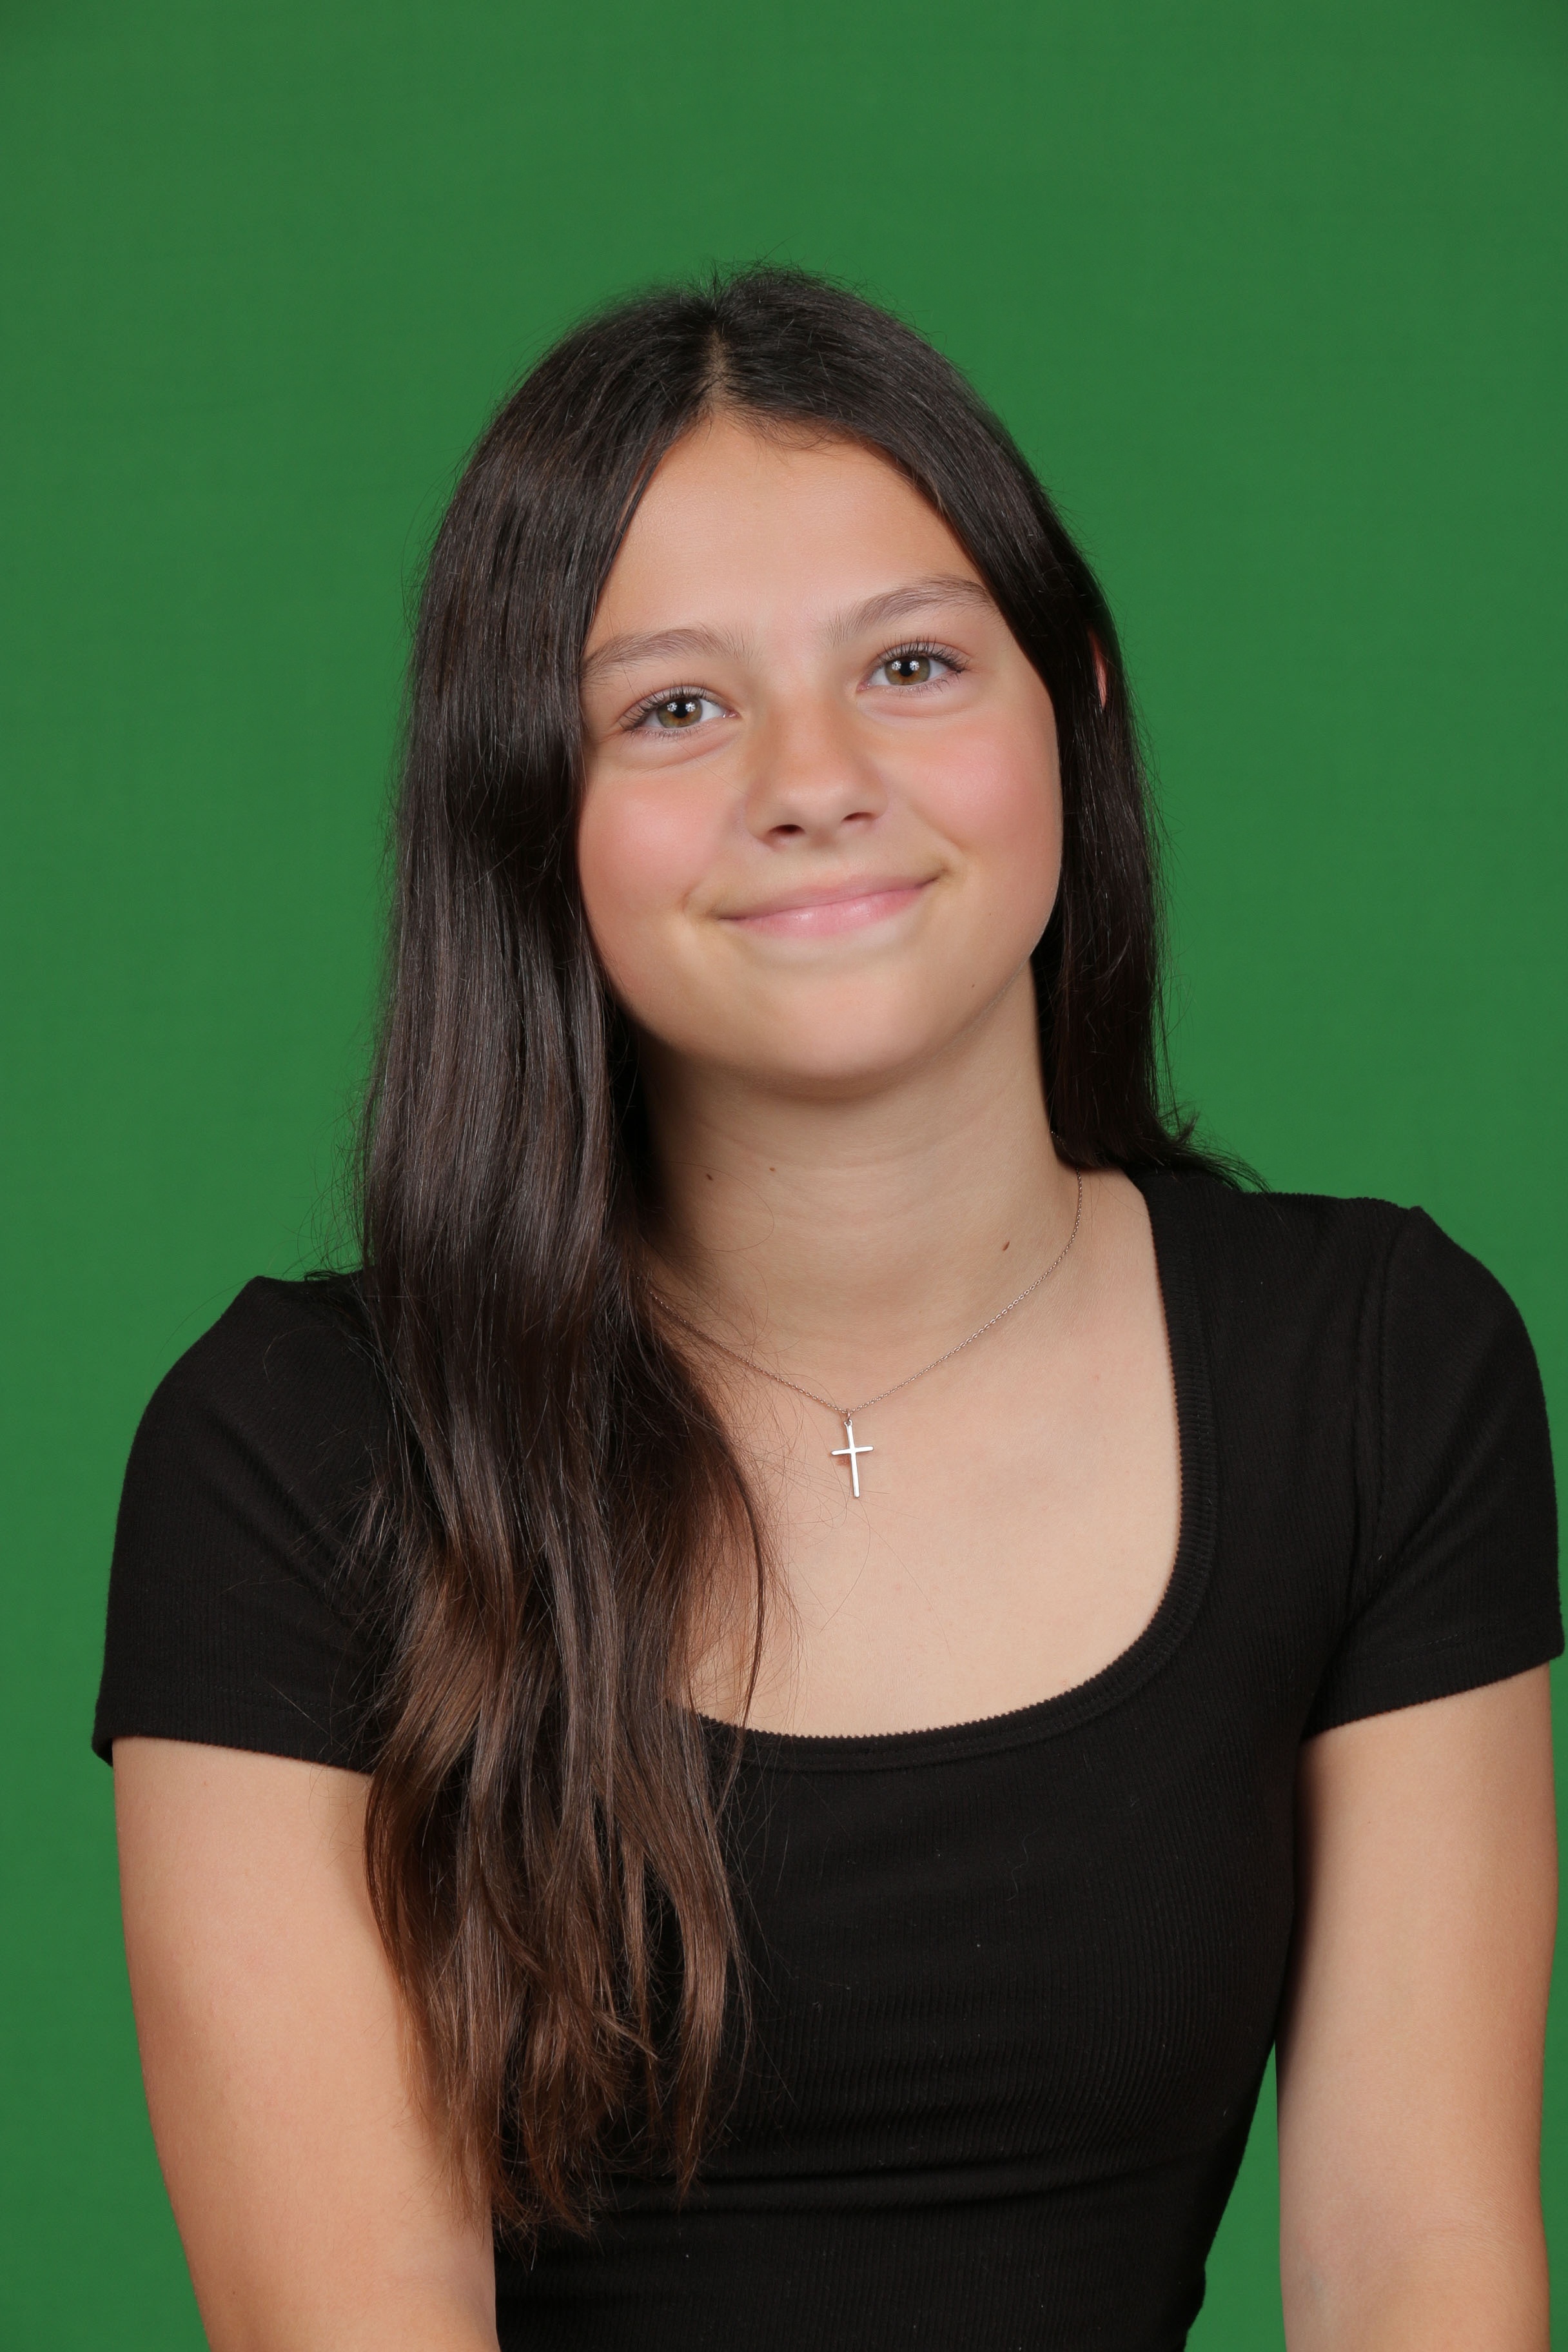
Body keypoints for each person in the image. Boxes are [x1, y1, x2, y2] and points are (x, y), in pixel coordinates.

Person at [95, 268, 1560, 2352]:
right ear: (531, 806)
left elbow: (1414, 2257)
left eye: (913, 664)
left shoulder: (1379, 1370)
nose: (816, 777)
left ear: (1076, 703)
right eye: (674, 709)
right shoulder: (294, 1454)